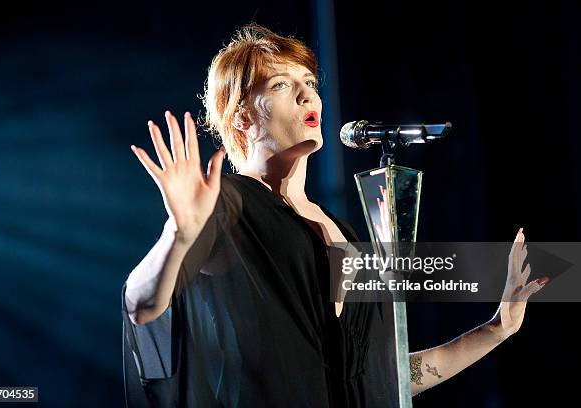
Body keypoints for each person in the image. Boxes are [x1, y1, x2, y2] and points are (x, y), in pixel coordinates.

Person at [122, 23, 550, 407]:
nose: (307, 93)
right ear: (241, 118)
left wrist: (496, 329)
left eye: (308, 81)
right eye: (281, 85)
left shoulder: (342, 230)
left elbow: (384, 377)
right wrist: (177, 236)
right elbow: (142, 304)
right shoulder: (228, 202)